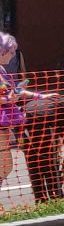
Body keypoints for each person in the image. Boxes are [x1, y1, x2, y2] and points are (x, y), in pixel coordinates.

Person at [0, 31, 23, 184]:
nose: (13, 55)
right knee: (5, 166)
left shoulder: (2, 70)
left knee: (5, 166)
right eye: (11, 51)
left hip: (3, 123)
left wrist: (15, 95)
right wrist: (8, 99)